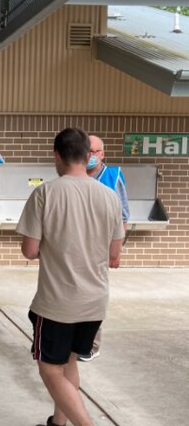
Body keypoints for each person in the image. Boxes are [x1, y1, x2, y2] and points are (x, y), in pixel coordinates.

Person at [16, 127, 124, 426]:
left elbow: (30, 251)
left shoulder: (46, 193)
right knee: (70, 363)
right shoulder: (109, 197)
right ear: (87, 155)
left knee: (50, 370)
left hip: (57, 301)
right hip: (95, 302)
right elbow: (114, 257)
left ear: (58, 155)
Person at [79, 133, 130, 361]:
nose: (90, 155)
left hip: (99, 250)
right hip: (76, 247)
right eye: (86, 151)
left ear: (102, 154)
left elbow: (123, 217)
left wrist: (115, 252)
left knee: (93, 297)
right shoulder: (75, 176)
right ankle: (75, 339)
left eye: (94, 151)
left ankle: (91, 345)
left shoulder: (112, 176)